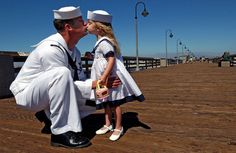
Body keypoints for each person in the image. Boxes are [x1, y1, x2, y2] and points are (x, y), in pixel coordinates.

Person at [9, 6, 120, 148]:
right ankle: (61, 133)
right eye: (81, 21)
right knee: (61, 73)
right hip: (29, 95)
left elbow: (75, 83)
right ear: (69, 27)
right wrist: (96, 83)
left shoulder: (75, 52)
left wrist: (99, 85)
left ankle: (50, 117)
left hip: (51, 91)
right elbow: (61, 82)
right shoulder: (50, 49)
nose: (86, 23)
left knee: (97, 99)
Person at [86, 10, 145, 141]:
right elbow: (100, 60)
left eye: (89, 23)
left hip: (108, 78)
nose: (86, 25)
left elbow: (111, 59)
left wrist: (104, 77)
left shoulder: (105, 42)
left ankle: (118, 127)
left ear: (99, 28)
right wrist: (91, 57)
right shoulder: (100, 43)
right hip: (103, 78)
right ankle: (107, 124)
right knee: (105, 102)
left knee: (114, 103)